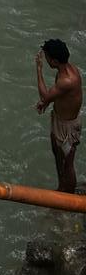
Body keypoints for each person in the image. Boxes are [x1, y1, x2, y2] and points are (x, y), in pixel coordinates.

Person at [36, 38, 83, 194]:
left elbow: (45, 96)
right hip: (60, 119)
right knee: (58, 154)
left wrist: (39, 69)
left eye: (47, 57)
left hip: (67, 127)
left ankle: (68, 192)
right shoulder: (67, 70)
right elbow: (57, 96)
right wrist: (46, 103)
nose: (45, 59)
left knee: (67, 163)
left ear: (54, 61)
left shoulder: (67, 80)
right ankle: (62, 185)